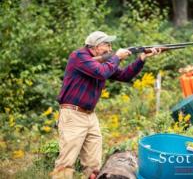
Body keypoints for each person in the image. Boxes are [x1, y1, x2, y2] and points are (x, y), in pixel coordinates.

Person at [50, 31, 161, 179]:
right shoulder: (79, 57)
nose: (110, 48)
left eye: (110, 45)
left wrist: (141, 58)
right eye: (107, 44)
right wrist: (116, 57)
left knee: (93, 165)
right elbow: (101, 72)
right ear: (95, 46)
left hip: (90, 116)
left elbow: (124, 75)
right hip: (73, 115)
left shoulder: (102, 62)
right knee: (66, 162)